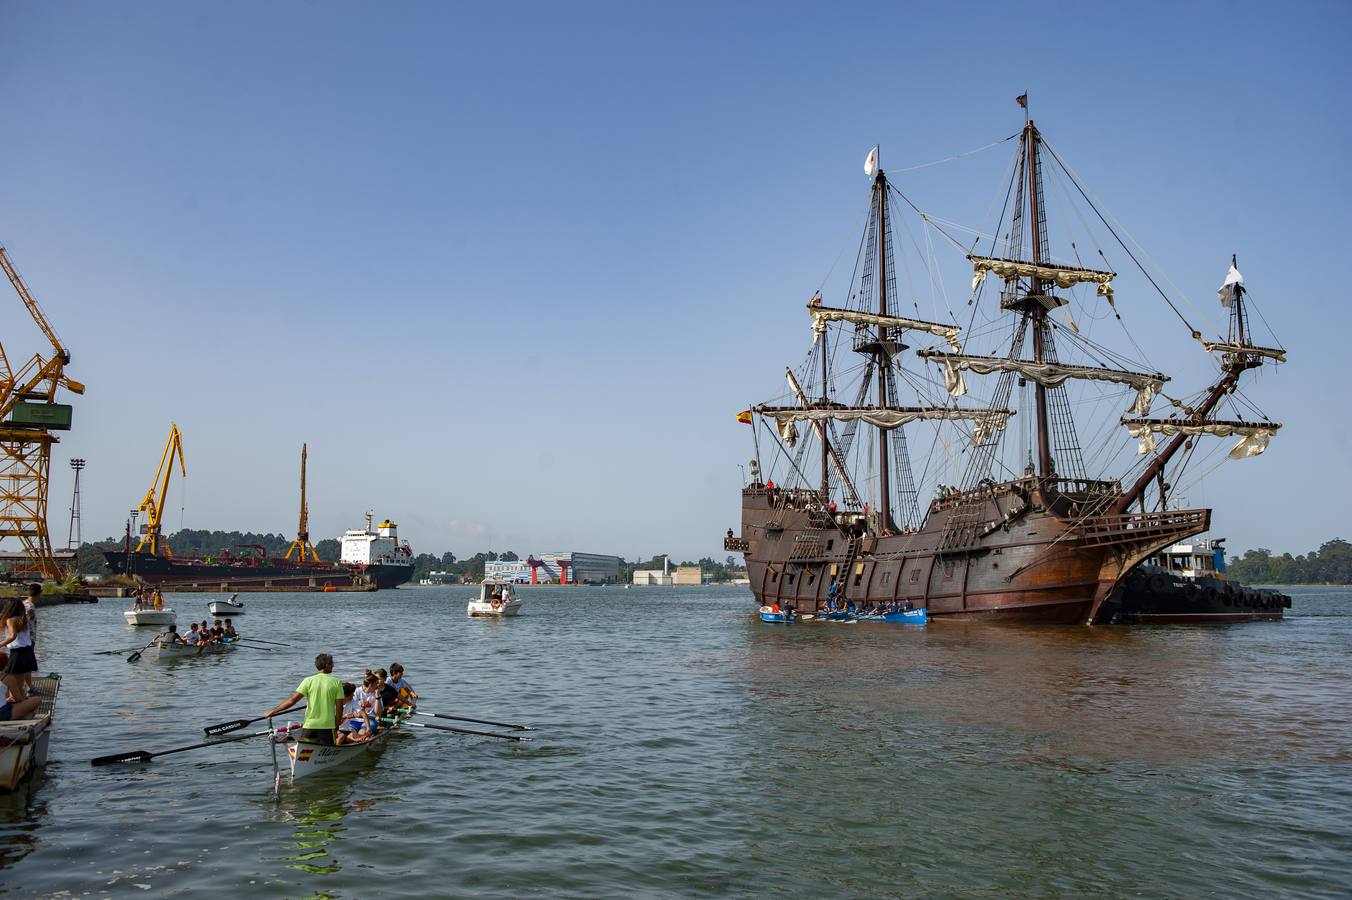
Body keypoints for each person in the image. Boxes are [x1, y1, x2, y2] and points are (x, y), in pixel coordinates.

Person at [264, 653, 345, 745]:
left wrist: (272, 711)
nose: (333, 665)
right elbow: (339, 709)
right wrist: (336, 726)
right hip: (327, 727)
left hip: (309, 726)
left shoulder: (308, 680)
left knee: (305, 754)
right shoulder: (337, 683)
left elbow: (292, 700)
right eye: (332, 663)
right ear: (327, 665)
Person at [1, 598, 36, 703]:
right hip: (27, 651)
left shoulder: (10, 620)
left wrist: (1, 644)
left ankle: (19, 703)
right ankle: (20, 700)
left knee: (14, 682)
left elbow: (12, 636)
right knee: (19, 683)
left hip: (18, 653)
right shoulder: (23, 619)